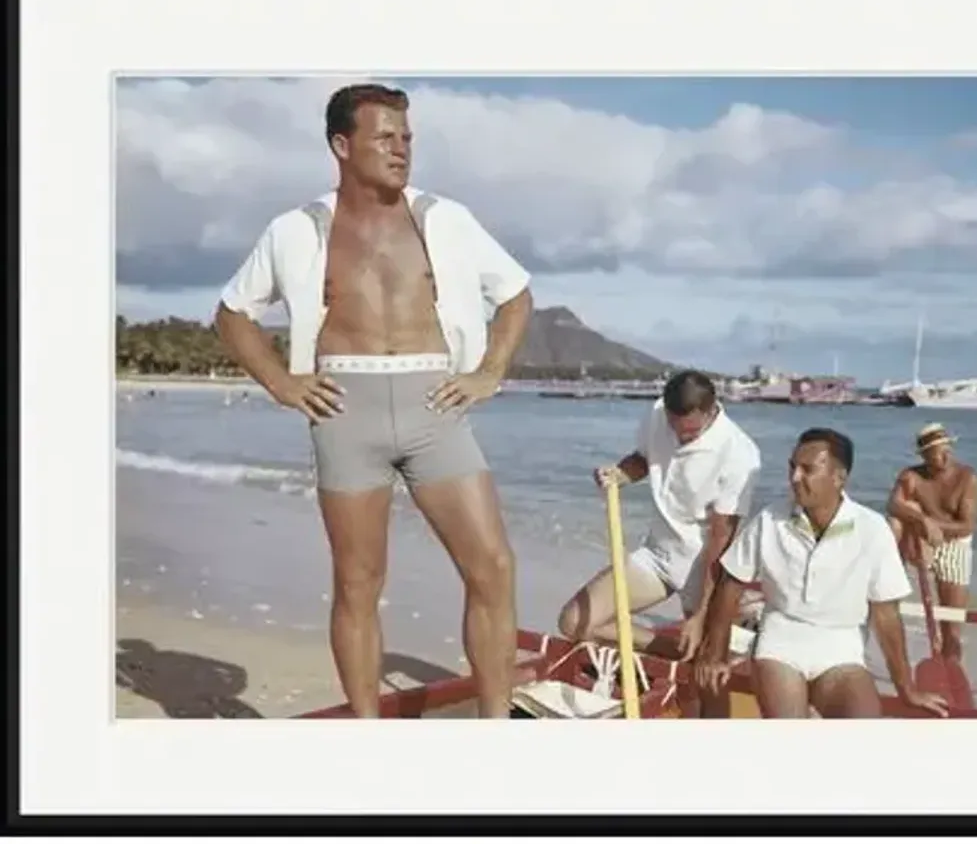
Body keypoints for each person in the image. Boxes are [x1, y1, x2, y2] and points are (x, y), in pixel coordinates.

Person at [214, 83, 533, 718]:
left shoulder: (445, 218)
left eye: (407, 138)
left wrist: (489, 371)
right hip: (344, 412)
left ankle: (496, 726)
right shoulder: (296, 230)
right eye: (385, 137)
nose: (401, 150)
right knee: (358, 584)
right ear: (342, 144)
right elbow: (231, 315)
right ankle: (366, 736)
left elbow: (517, 293)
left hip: (435, 407)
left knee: (492, 568)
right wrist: (283, 384)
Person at [694, 427, 948, 719]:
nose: (794, 478)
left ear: (839, 478)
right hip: (781, 641)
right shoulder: (770, 519)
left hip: (842, 648)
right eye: (792, 467)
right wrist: (715, 654)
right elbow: (731, 584)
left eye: (807, 469)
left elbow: (886, 614)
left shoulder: (872, 528)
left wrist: (907, 688)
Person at [556, 370, 762, 665]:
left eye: (689, 433)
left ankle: (736, 617)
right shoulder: (657, 414)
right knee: (574, 622)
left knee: (707, 658)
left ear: (711, 411)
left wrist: (701, 615)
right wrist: (620, 473)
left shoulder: (739, 454)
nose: (680, 437)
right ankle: (676, 652)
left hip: (703, 564)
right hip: (658, 554)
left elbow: (720, 542)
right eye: (674, 428)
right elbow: (644, 459)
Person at [886, 423, 977, 663]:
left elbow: (967, 526)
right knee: (896, 520)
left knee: (951, 626)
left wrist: (932, 525)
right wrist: (922, 520)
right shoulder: (912, 476)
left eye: (947, 448)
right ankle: (888, 581)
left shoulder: (967, 478)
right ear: (925, 456)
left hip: (954, 544)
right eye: (938, 451)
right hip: (921, 541)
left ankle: (950, 668)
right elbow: (893, 505)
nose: (946, 455)